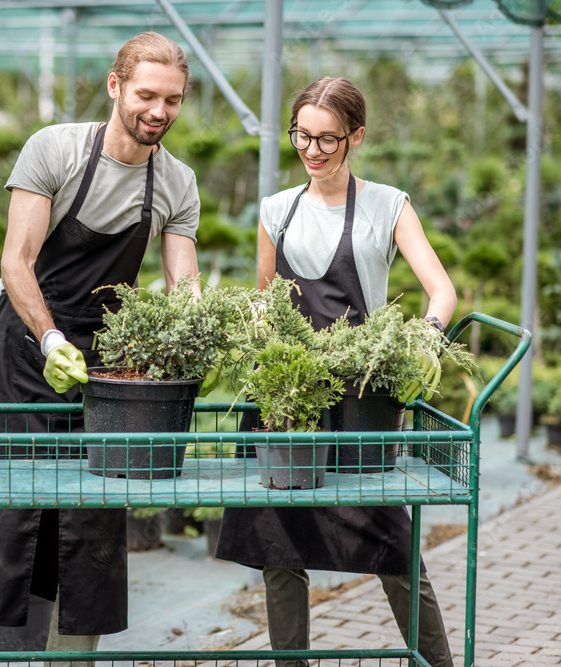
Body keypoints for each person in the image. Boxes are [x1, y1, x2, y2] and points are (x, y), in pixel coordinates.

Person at [0, 32, 201, 667]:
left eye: (173, 100)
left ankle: (71, 658)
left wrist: (194, 344)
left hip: (108, 371)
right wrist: (50, 337)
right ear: (115, 87)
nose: (158, 111)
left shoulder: (176, 183)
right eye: (146, 95)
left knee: (91, 521)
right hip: (26, 353)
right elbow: (17, 261)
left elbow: (184, 283)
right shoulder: (54, 149)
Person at [214, 76, 458, 667]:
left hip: (362, 398)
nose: (313, 150)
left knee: (390, 543)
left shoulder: (388, 205)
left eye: (328, 138)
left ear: (356, 137)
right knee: (279, 545)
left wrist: (423, 339)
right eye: (303, 135)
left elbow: (441, 289)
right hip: (289, 395)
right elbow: (268, 303)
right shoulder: (276, 209)